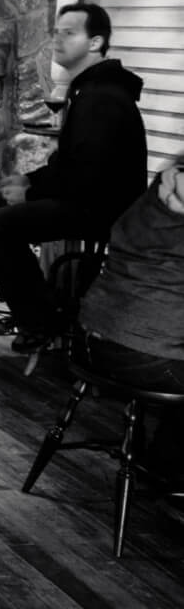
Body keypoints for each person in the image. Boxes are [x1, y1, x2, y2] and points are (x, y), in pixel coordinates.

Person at [0, 3, 147, 353]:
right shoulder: (87, 88)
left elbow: (89, 176)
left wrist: (31, 192)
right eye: (56, 32)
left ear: (95, 43)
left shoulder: (102, 98)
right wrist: (29, 181)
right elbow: (69, 163)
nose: (57, 39)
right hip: (82, 195)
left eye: (69, 33)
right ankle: (40, 302)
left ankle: (42, 323)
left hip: (103, 209)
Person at [77, 154, 184, 481]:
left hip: (91, 339)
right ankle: (168, 468)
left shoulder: (161, 189)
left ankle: (163, 459)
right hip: (142, 354)